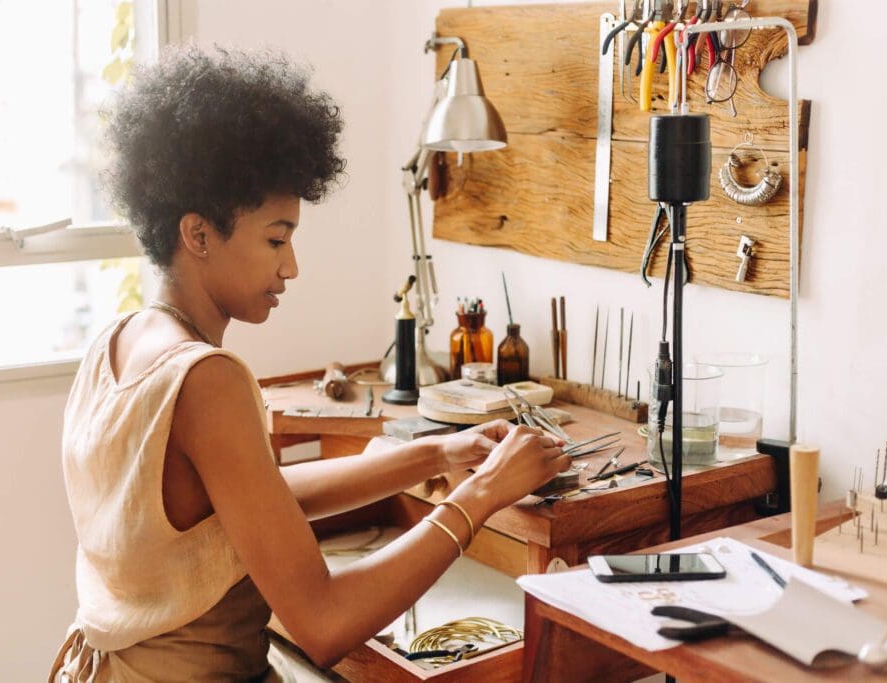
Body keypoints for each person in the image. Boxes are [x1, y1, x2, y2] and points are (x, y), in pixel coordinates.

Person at [49, 45, 570, 682]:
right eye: (276, 238)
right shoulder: (206, 380)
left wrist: (435, 456)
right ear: (199, 234)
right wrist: (482, 495)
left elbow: (243, 504)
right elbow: (323, 624)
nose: (290, 266)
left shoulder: (117, 342)